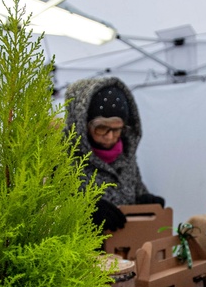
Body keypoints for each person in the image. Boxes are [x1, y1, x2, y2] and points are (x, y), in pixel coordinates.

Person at [64, 76, 164, 231]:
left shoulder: (125, 157)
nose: (110, 137)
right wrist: (85, 210)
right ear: (82, 124)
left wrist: (145, 200)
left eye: (117, 129)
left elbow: (137, 191)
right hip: (83, 252)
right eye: (101, 128)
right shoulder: (62, 157)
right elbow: (46, 209)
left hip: (125, 249)